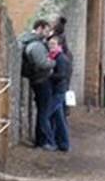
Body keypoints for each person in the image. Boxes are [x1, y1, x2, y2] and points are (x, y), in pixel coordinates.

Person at [18, 19, 55, 148]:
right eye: (46, 30)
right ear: (39, 28)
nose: (48, 33)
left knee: (43, 111)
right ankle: (43, 141)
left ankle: (43, 140)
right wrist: (53, 62)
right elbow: (42, 63)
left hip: (37, 79)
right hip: (41, 81)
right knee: (44, 111)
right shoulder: (35, 45)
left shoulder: (29, 41)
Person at [46, 35, 71, 152]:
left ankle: (51, 142)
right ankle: (64, 144)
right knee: (60, 119)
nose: (51, 46)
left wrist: (49, 75)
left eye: (53, 44)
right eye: (50, 44)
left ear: (59, 46)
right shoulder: (55, 57)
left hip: (58, 92)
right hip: (57, 90)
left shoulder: (60, 59)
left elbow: (62, 75)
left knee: (46, 115)